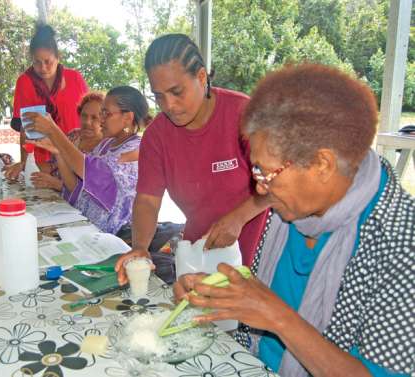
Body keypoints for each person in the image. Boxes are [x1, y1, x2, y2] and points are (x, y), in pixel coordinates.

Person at [173, 64, 414, 376]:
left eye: (264, 171)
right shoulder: (289, 211)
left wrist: (277, 316)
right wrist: (219, 297)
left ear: (322, 164)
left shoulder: (400, 243)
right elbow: (256, 322)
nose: (259, 187)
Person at [115, 33, 270, 284]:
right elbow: (147, 200)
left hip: (259, 249)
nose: (169, 105)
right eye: (159, 96)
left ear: (201, 77)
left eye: (177, 92)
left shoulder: (243, 114)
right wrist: (141, 246)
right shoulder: (157, 137)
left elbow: (280, 180)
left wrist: (239, 217)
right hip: (201, 253)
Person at [23, 86, 150, 234]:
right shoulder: (106, 144)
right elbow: (76, 187)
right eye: (101, 112)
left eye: (105, 113)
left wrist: (53, 131)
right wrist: (58, 152)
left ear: (127, 118)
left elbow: (92, 170)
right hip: (87, 228)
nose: (101, 119)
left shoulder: (136, 149)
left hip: (115, 236)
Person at [4, 23, 88, 179]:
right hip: (41, 163)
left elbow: (91, 117)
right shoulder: (25, 82)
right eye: (37, 62)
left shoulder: (75, 79)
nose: (43, 68)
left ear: (58, 57)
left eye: (47, 61)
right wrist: (24, 163)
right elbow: (25, 128)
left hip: (74, 156)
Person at [30, 91, 105, 191]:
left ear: (105, 119)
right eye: (84, 116)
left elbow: (94, 191)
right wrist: (25, 166)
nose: (87, 122)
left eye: (94, 117)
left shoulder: (107, 148)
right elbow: (52, 166)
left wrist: (57, 184)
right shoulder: (74, 136)